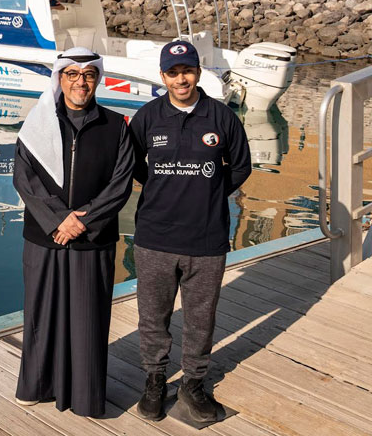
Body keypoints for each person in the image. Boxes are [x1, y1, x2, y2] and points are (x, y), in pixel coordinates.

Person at [129, 41, 251, 423]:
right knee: (153, 317)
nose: (181, 78)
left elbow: (241, 166)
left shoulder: (222, 118)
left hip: (206, 239)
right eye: (173, 72)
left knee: (201, 318)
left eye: (188, 70)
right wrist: (164, 190)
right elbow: (133, 165)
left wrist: (209, 192)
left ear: (198, 73)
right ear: (163, 76)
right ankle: (154, 381)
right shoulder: (147, 117)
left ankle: (193, 384)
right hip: (155, 238)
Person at [13, 47, 135, 417]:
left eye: (88, 75)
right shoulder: (37, 123)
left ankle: (84, 397)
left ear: (97, 79)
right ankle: (36, 385)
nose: (81, 82)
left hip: (92, 238)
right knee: (40, 316)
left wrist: (82, 220)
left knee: (88, 319)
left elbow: (121, 183)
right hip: (44, 236)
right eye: (72, 74)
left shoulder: (116, 126)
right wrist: (57, 220)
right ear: (60, 78)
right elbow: (24, 178)